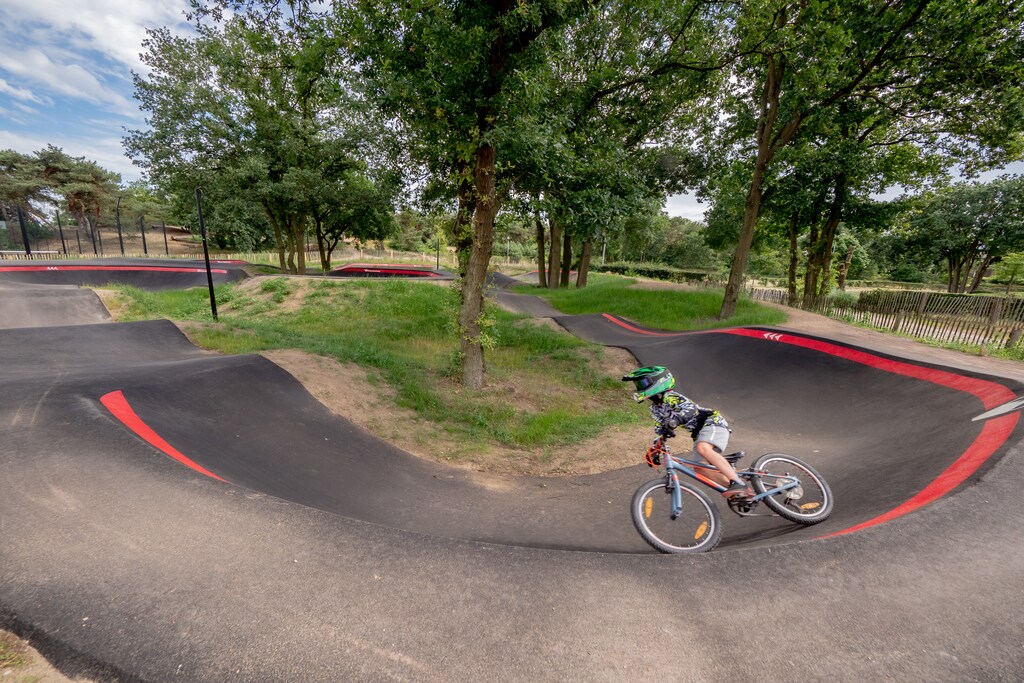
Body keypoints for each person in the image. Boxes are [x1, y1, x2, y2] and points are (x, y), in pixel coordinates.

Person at [623, 366, 749, 498]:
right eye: (638, 385)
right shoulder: (654, 409)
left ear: (659, 381)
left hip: (712, 422)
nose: (640, 387)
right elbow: (660, 430)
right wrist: (655, 449)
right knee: (700, 469)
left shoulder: (670, 397)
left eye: (643, 383)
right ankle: (739, 494)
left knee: (702, 448)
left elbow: (691, 409)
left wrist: (675, 420)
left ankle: (739, 483)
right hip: (699, 433)